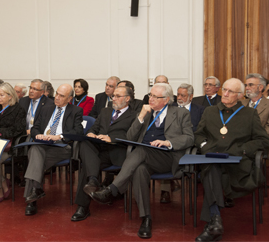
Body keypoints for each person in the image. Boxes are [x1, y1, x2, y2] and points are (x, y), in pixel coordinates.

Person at [90, 83, 194, 239]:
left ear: (166, 100)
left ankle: (113, 189)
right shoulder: (145, 113)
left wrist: (169, 142)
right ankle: (146, 219)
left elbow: (189, 138)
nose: (150, 99)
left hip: (167, 156)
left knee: (141, 149)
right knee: (139, 169)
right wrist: (140, 117)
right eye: (150, 95)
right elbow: (130, 138)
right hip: (144, 156)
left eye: (154, 97)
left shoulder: (180, 114)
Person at [193, 78, 269, 241]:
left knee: (210, 172)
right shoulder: (210, 112)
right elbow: (199, 135)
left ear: (240, 95)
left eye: (230, 92)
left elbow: (263, 140)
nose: (225, 94)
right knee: (211, 167)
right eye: (224, 90)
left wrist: (241, 150)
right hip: (214, 159)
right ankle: (215, 222)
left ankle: (214, 223)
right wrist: (205, 146)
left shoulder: (249, 114)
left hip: (237, 165)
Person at [71, 86, 136, 222]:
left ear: (127, 98)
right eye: (113, 96)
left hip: (117, 151)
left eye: (118, 96)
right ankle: (93, 182)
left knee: (87, 166)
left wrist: (112, 139)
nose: (114, 99)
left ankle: (83, 204)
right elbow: (95, 127)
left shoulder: (134, 115)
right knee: (84, 143)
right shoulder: (105, 111)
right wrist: (91, 133)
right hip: (100, 150)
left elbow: (133, 136)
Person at [23, 84, 83, 216]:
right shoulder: (46, 108)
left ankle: (32, 200)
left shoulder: (75, 111)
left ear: (69, 99)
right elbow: (35, 128)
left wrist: (59, 136)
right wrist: (37, 135)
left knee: (34, 156)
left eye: (62, 96)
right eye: (57, 94)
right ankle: (35, 191)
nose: (57, 98)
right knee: (35, 150)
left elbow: (78, 131)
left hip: (62, 147)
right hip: (43, 144)